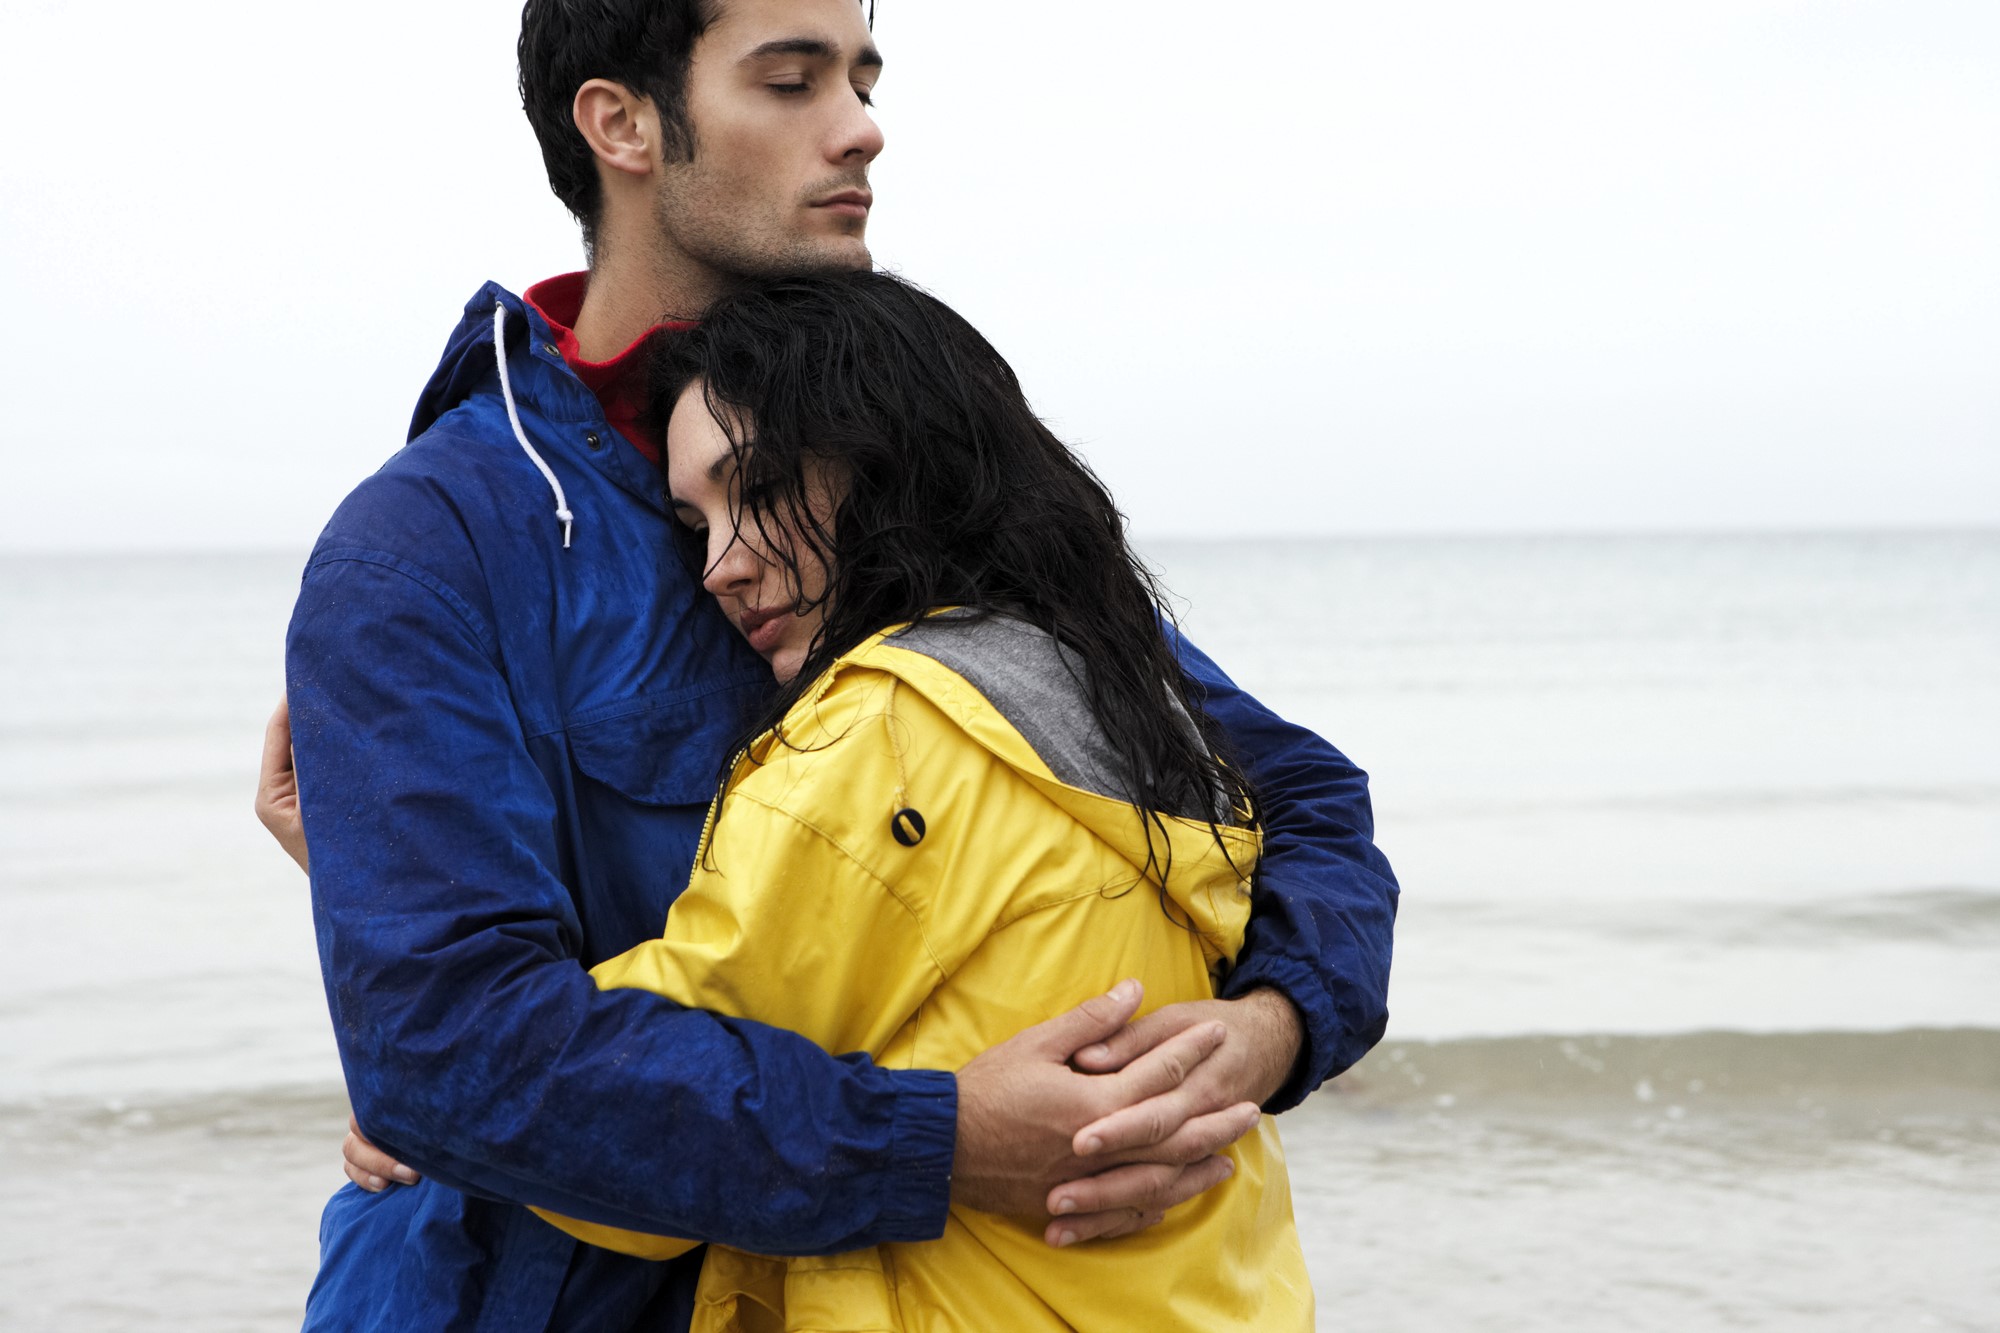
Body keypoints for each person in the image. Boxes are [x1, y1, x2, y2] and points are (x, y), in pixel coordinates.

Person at [263, 2, 1397, 1329]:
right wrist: (942, 1141)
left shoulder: (906, 486)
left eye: (860, 77)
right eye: (792, 82)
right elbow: (451, 1055)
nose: (862, 127)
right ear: (620, 122)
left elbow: (1288, 795)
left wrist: (1260, 1030)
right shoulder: (428, 546)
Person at [527, 268, 1317, 1329]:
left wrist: (444, 1096)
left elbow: (622, 1133)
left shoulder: (881, 736)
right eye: (693, 521)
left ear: (883, 459)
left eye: (751, 488)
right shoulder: (1122, 685)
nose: (715, 567)